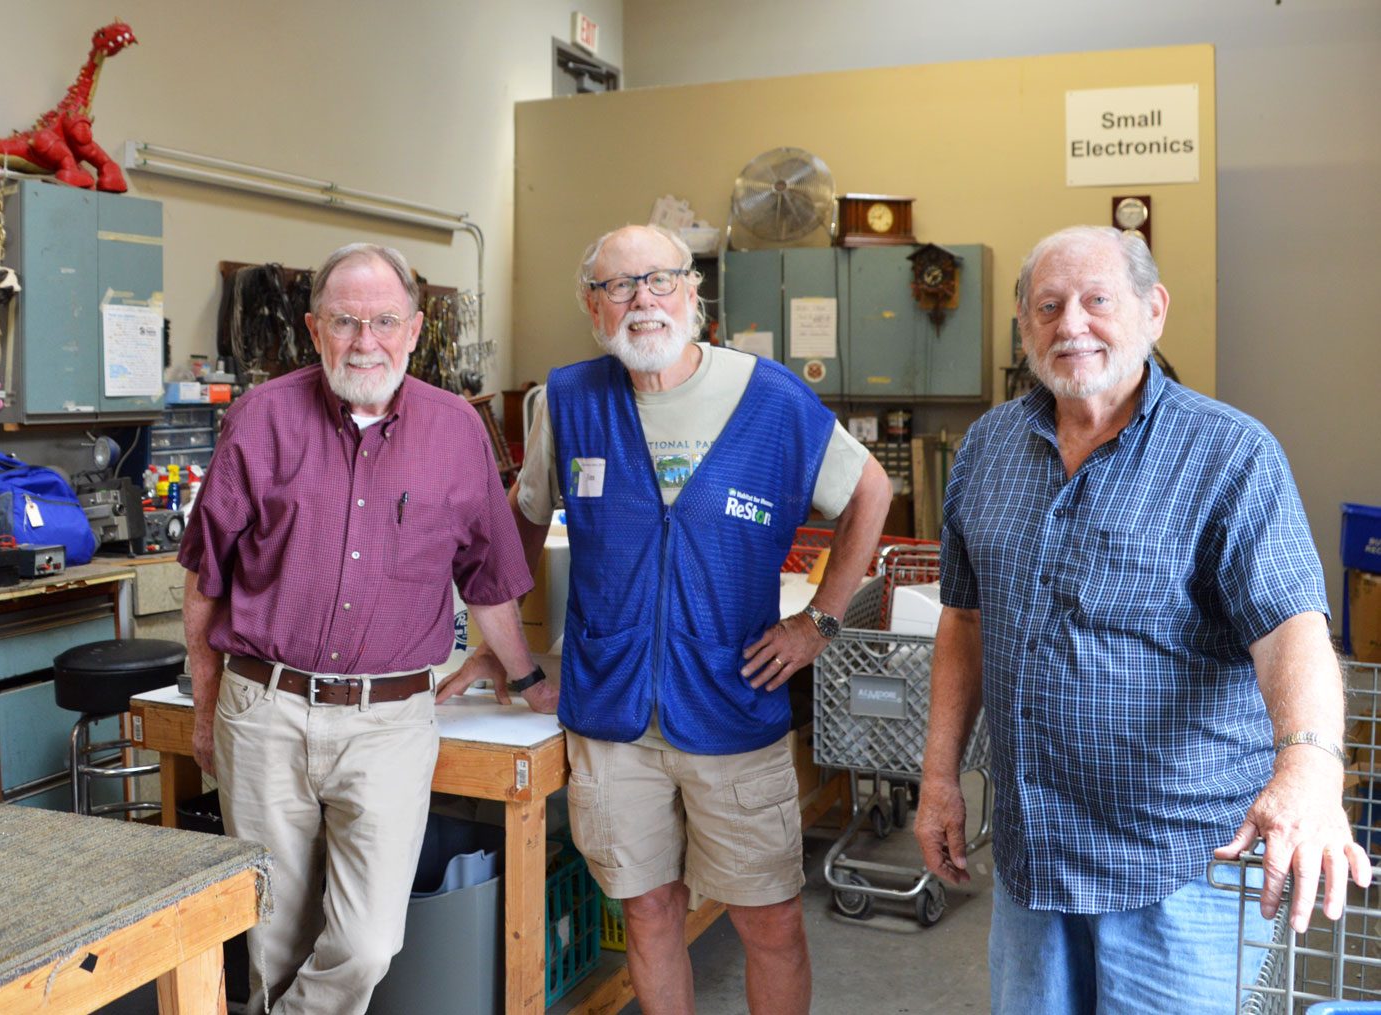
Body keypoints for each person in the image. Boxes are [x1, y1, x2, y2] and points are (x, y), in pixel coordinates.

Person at [914, 225, 1372, 1012]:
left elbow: (1292, 628)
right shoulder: (987, 448)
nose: (1072, 325)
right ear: (1023, 324)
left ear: (1153, 311)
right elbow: (965, 618)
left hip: (1177, 870)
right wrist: (937, 775)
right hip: (1036, 861)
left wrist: (1308, 769)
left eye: (1097, 301)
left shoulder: (1229, 454)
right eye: (1048, 306)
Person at [438, 223, 891, 1014]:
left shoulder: (772, 397)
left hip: (732, 706)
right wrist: (498, 639)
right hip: (612, 722)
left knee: (770, 919)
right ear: (592, 306)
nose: (641, 300)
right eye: (618, 285)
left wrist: (819, 621)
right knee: (648, 913)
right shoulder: (569, 399)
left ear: (693, 295)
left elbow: (870, 492)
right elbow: (519, 518)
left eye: (659, 280)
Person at [179, 242, 555, 1013]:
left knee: (367, 940)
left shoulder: (457, 432)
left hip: (389, 721)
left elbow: (487, 580)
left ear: (415, 330)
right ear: (315, 329)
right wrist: (205, 703)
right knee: (273, 933)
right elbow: (204, 580)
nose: (365, 341)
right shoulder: (260, 418)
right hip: (265, 710)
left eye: (384, 320)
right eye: (346, 322)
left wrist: (526, 675)